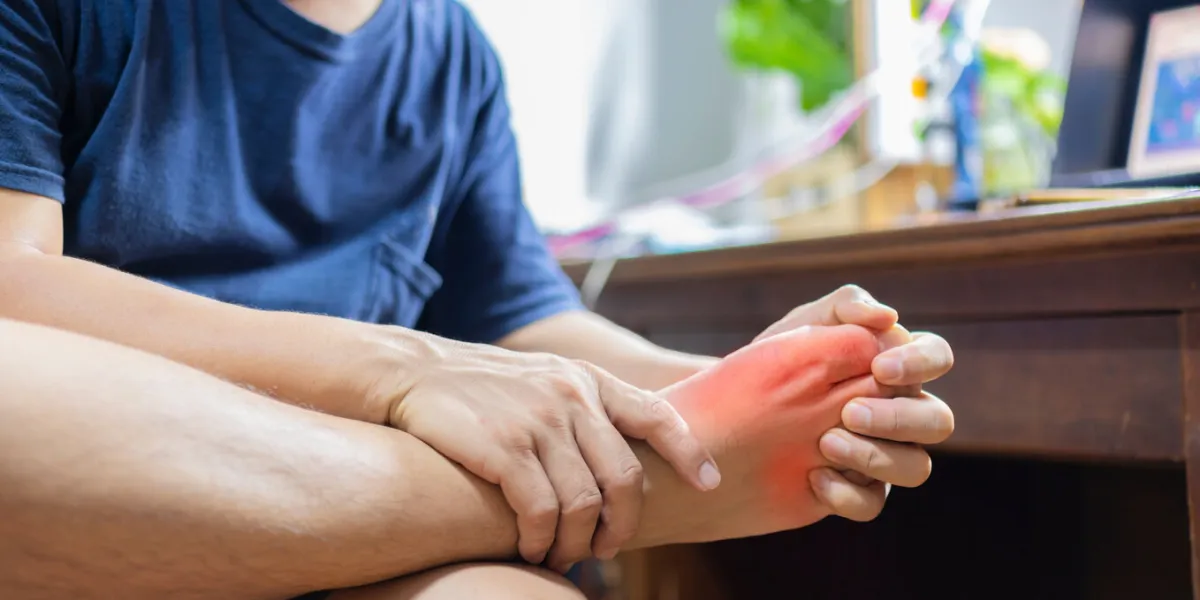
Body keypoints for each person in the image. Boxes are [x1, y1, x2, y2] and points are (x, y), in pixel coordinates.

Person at [0, 0, 955, 597]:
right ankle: (635, 501)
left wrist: (723, 390)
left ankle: (640, 485)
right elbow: (13, 284)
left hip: (361, 547)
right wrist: (394, 370)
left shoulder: (448, 47)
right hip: (106, 508)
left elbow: (524, 320)